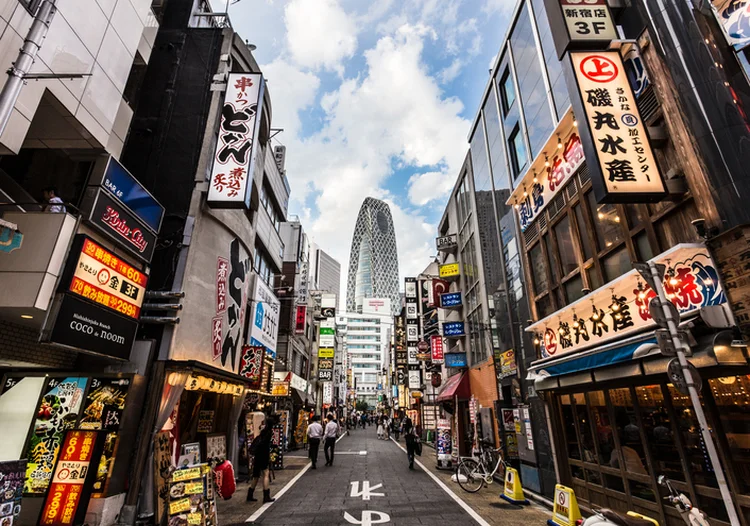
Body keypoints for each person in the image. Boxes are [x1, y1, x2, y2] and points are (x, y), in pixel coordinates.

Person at [246, 416, 276, 503]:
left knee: (256, 475)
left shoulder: (263, 432)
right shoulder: (269, 432)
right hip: (264, 455)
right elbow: (266, 445)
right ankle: (266, 496)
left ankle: (250, 495)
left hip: (257, 455)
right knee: (266, 473)